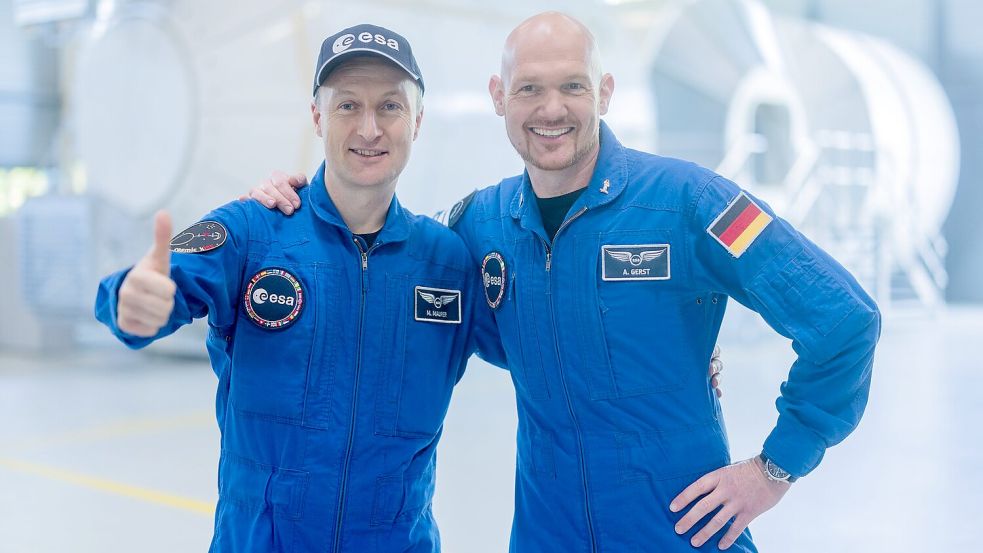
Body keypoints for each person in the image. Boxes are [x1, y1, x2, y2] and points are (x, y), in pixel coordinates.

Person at [248, 12, 879, 553]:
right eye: (529, 90)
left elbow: (844, 318)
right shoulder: (479, 224)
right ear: (499, 96)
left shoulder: (691, 201)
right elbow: (387, 254)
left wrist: (775, 467)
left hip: (681, 533)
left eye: (572, 87)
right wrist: (291, 206)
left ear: (604, 92)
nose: (551, 110)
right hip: (548, 534)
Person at [94, 24, 507, 552]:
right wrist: (129, 300)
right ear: (317, 116)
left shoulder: (447, 263)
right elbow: (155, 284)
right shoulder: (253, 231)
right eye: (347, 106)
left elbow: (536, 352)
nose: (369, 128)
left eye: (390, 107)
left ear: (418, 121)